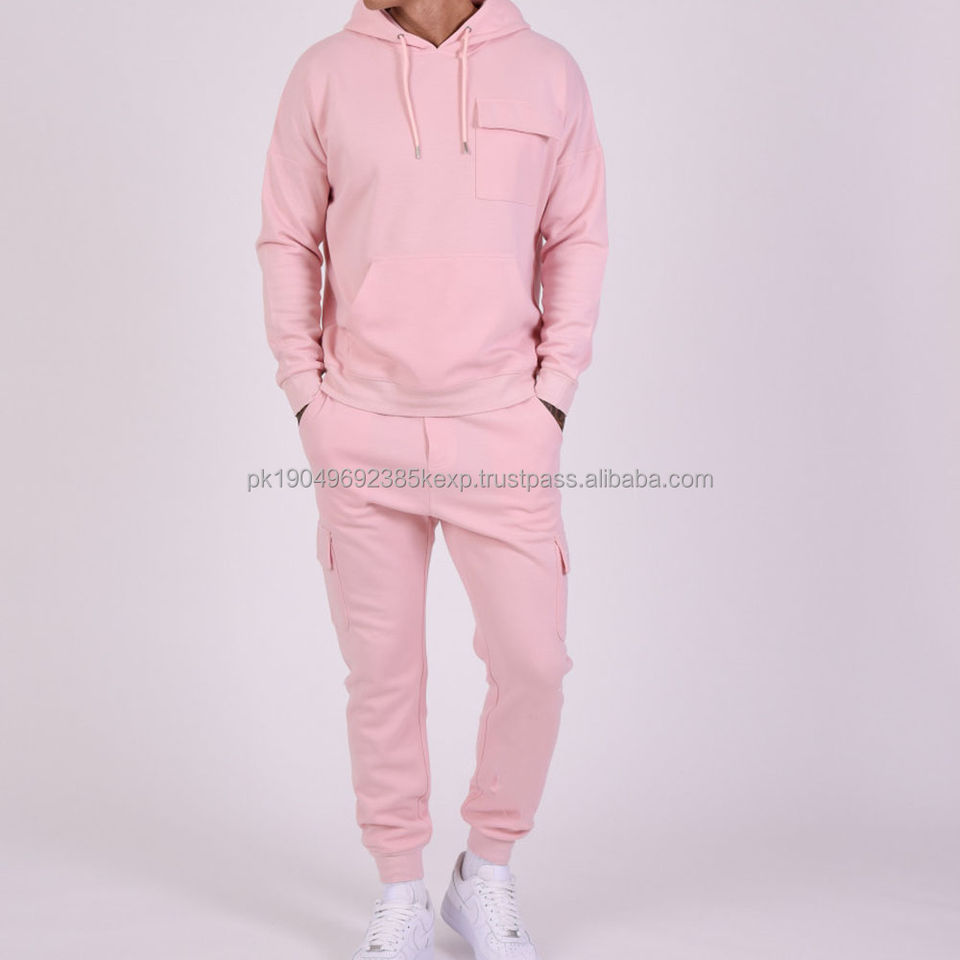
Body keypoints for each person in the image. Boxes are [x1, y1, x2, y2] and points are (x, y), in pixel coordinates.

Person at [255, 0, 607, 956]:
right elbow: (287, 238)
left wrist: (552, 396)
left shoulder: (548, 71)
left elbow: (575, 236)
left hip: (501, 425)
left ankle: (484, 872)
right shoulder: (324, 73)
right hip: (361, 425)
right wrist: (306, 397)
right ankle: (400, 890)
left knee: (534, 663)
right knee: (383, 675)